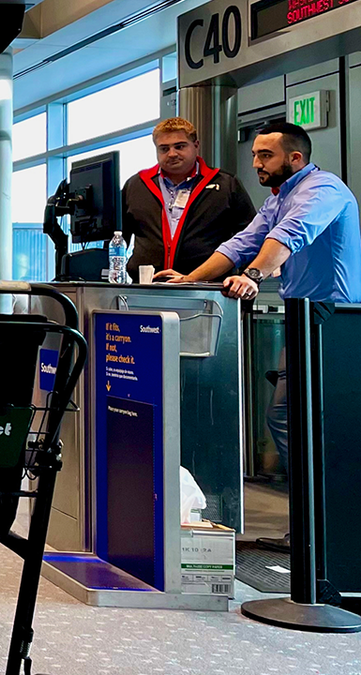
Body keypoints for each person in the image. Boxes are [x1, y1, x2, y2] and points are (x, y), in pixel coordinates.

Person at [158, 121, 361, 552]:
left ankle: (329, 526)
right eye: (253, 155)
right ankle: (312, 526)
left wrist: (252, 277)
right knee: (290, 419)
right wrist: (189, 281)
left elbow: (287, 238)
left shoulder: (321, 190)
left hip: (333, 320)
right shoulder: (279, 199)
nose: (255, 163)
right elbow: (242, 242)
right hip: (302, 317)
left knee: (317, 423)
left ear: (295, 158)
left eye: (264, 155)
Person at [121, 117, 256, 281]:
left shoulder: (225, 184)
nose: (172, 154)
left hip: (207, 288)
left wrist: (245, 281)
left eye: (179, 146)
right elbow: (118, 238)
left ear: (196, 146)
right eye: (164, 149)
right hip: (147, 287)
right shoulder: (137, 185)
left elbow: (250, 237)